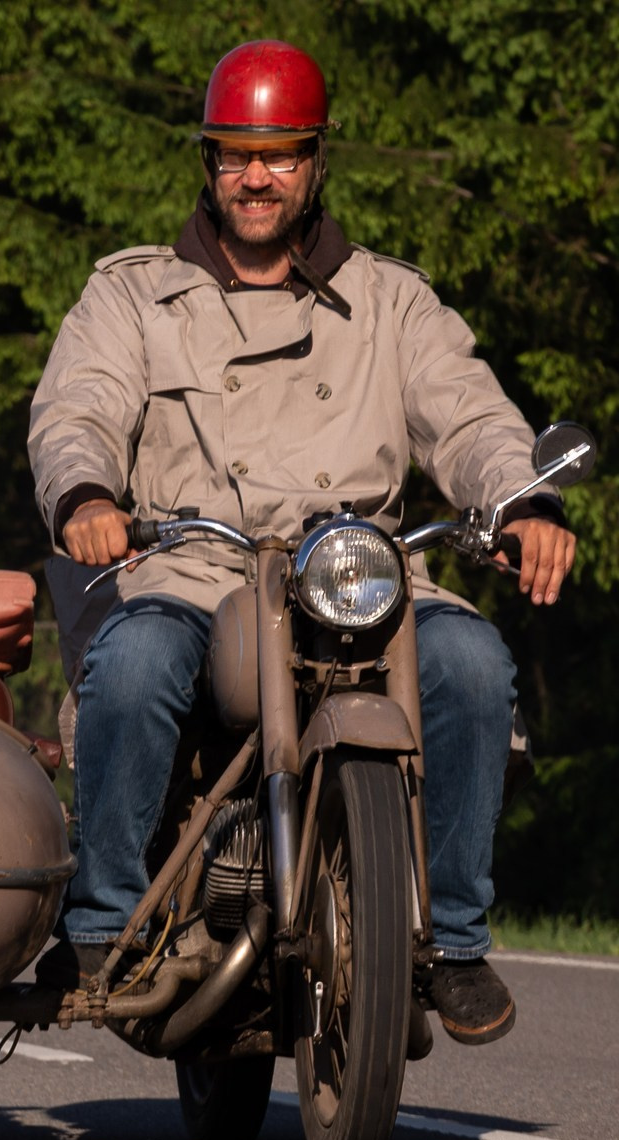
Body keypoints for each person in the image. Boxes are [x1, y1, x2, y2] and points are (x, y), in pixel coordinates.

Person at [29, 40, 576, 1045]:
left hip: (358, 571)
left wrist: (520, 502)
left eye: (277, 155)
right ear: (208, 163)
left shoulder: (389, 301)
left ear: (315, 161)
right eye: (235, 155)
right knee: (134, 659)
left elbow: (469, 419)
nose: (255, 178)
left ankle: (451, 940)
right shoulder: (133, 297)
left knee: (470, 661)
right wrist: (85, 492)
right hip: (197, 567)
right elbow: (78, 410)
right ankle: (103, 926)